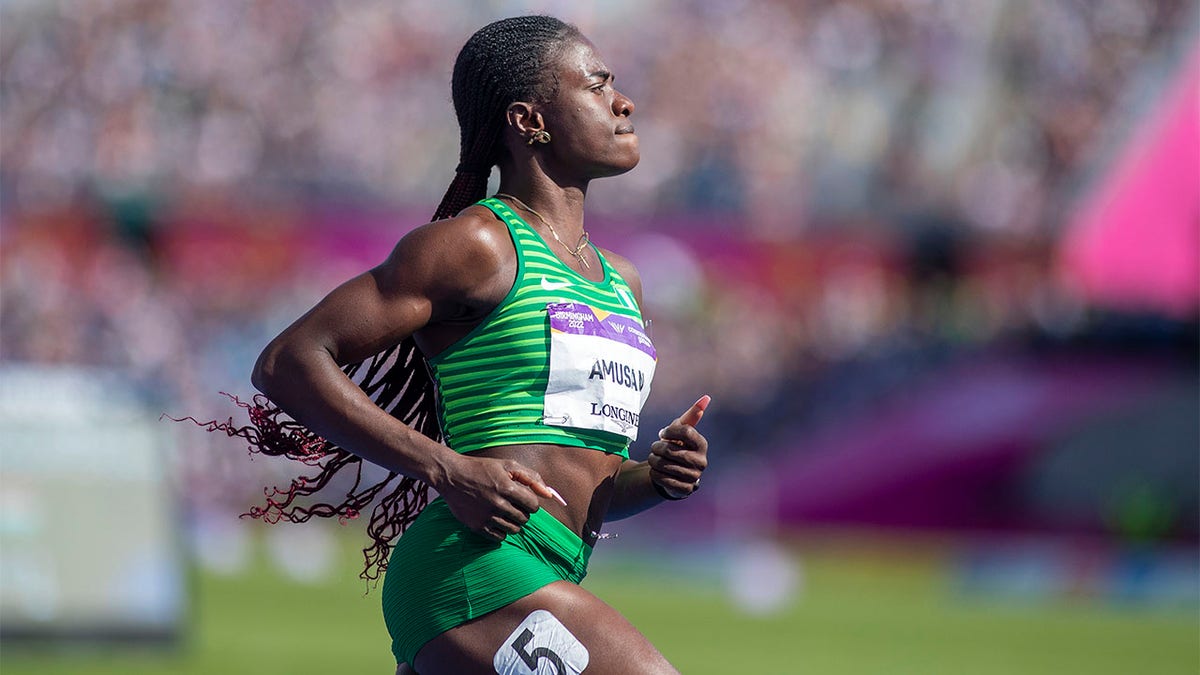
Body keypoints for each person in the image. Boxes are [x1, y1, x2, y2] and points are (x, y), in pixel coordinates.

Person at [247, 15, 710, 675]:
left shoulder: (623, 283)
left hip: (548, 565)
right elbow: (288, 361)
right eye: (597, 84)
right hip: (470, 569)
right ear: (530, 121)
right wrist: (447, 468)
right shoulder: (480, 245)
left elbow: (579, 481)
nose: (623, 100)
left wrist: (654, 480)